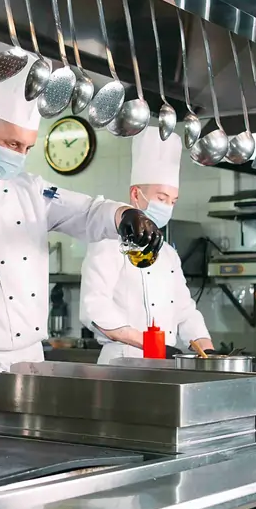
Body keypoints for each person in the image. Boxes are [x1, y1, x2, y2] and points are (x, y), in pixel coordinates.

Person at [0, 69, 164, 371]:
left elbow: (87, 212)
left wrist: (124, 215)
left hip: (31, 360)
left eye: (27, 148)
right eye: (13, 145)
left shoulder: (32, 189)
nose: (19, 156)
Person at [80, 127, 213, 363]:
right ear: (135, 194)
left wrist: (207, 349)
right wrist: (148, 343)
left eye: (172, 201)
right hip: (121, 364)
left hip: (163, 362)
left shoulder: (169, 254)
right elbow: (94, 307)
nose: (167, 207)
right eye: (161, 198)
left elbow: (185, 311)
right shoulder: (108, 242)